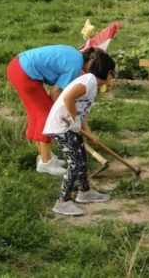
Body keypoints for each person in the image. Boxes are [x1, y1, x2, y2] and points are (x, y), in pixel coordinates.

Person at [7, 45, 102, 176]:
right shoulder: (75, 66)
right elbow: (55, 92)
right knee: (45, 116)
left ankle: (43, 156)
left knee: (36, 115)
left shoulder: (75, 56)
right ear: (91, 63)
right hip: (25, 73)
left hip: (18, 67)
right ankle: (46, 163)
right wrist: (60, 111)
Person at [43, 51, 116, 216]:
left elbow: (81, 112)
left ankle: (85, 192)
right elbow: (68, 97)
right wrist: (73, 120)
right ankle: (62, 202)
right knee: (75, 163)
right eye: (113, 73)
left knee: (82, 159)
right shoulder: (88, 81)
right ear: (107, 71)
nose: (112, 78)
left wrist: (89, 134)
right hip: (61, 126)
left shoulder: (93, 86)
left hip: (70, 126)